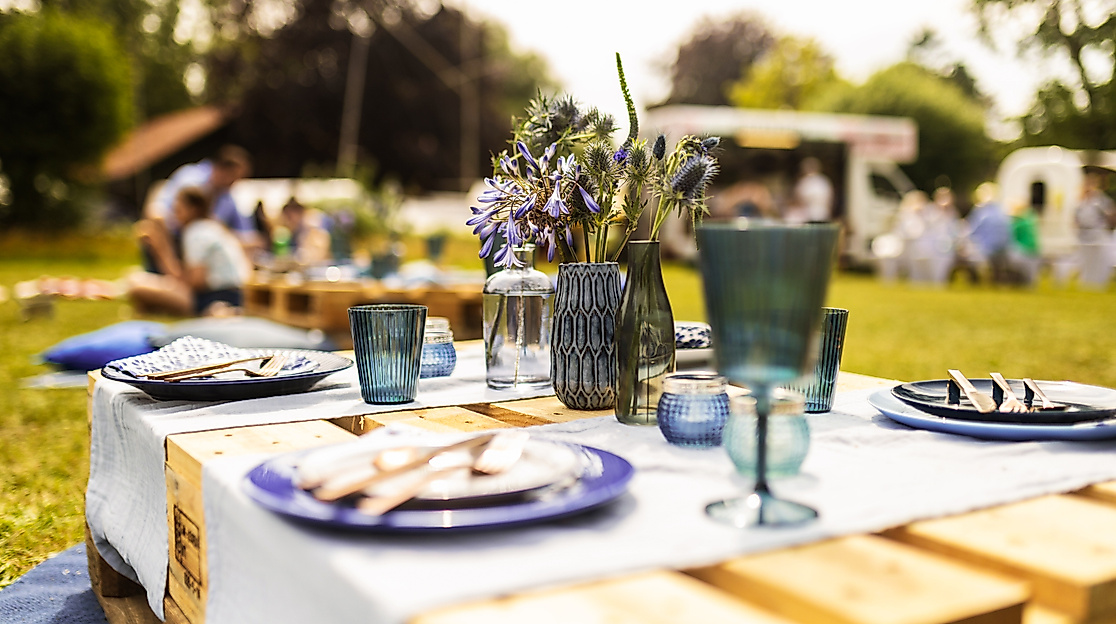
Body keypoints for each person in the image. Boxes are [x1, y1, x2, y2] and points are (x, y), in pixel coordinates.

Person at [129, 186, 252, 316]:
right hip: (235, 293)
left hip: (215, 296)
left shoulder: (196, 232)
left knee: (137, 287)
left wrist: (161, 249)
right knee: (142, 282)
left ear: (193, 210)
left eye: (178, 210)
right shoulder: (211, 227)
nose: (174, 215)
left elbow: (195, 282)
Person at [138, 145, 258, 275]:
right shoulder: (192, 179)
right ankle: (172, 273)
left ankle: (175, 278)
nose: (236, 183)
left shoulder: (227, 196)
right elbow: (159, 210)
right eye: (235, 177)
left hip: (201, 237)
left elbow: (247, 233)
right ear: (221, 169)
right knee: (155, 222)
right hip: (176, 233)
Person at [1074, 166, 1116, 288]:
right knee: (1086, 259)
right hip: (1084, 234)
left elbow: (1110, 213)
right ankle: (1087, 282)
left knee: (1099, 259)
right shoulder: (1081, 201)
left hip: (1098, 233)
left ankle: (1098, 283)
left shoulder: (1100, 199)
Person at [964, 182, 1012, 283]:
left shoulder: (981, 211)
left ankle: (977, 280)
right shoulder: (1002, 210)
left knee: (966, 253)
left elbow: (972, 231)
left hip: (986, 250)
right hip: (1003, 250)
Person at [788, 157, 834, 224]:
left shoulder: (805, 182)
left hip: (809, 216)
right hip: (822, 215)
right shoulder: (824, 181)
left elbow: (798, 200)